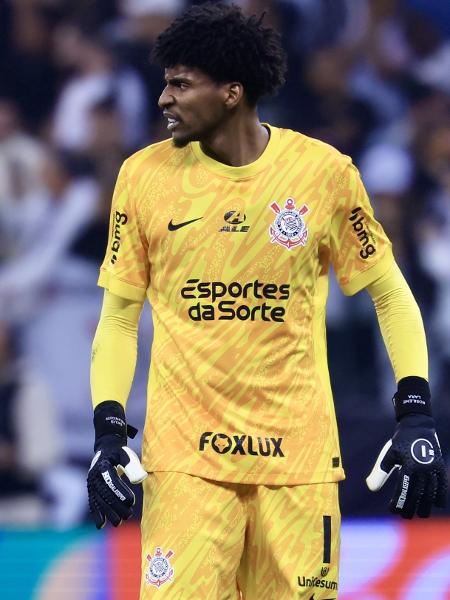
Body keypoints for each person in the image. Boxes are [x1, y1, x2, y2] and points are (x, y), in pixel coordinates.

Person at [86, 3, 448, 598]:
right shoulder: (143, 177)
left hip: (298, 465)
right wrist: (107, 429)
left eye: (181, 83)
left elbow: (390, 293)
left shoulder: (322, 173)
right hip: (187, 464)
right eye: (165, 82)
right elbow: (120, 316)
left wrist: (415, 411)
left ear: (232, 92)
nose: (163, 99)